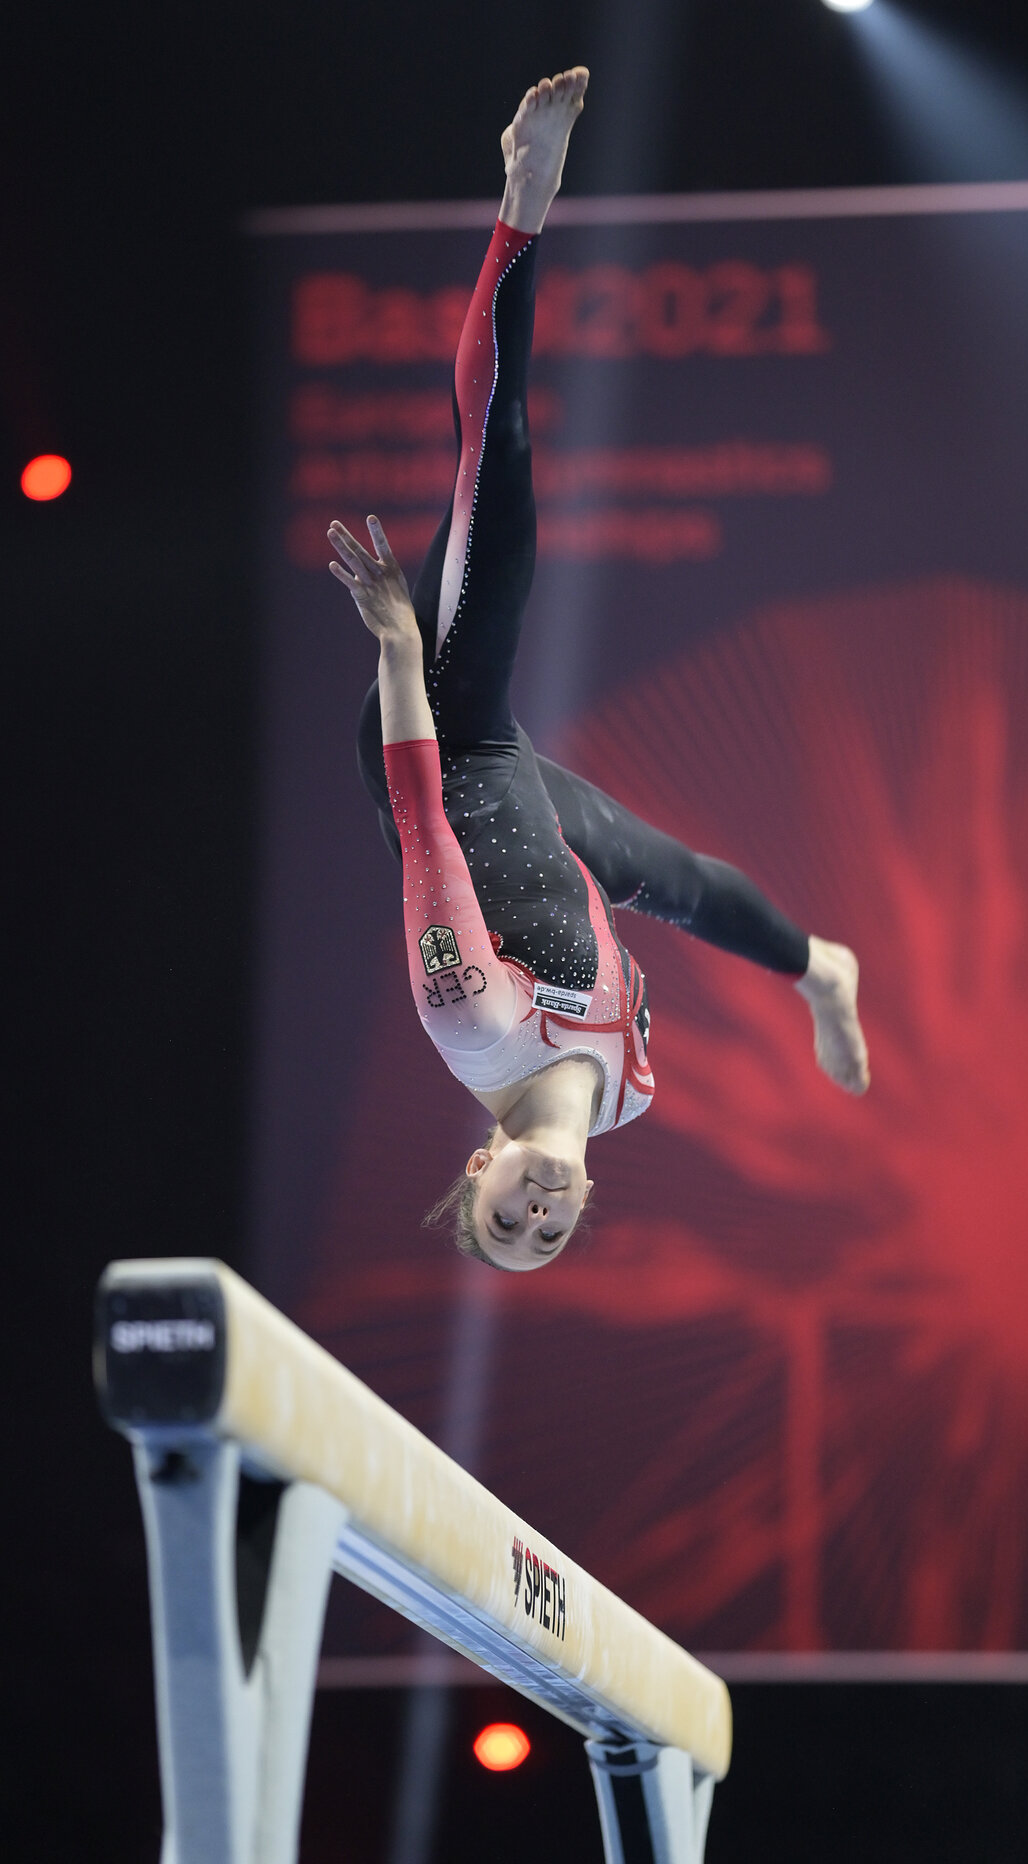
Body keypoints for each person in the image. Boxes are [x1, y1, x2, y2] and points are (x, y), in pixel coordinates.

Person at [328, 67, 869, 1274]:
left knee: (499, 463)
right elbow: (592, 894)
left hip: (443, 739)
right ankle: (819, 966)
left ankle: (522, 195)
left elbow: (421, 822)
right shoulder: (629, 1094)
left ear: (480, 1164)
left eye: (504, 1217)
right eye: (550, 1233)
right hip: (532, 814)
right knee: (677, 879)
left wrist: (401, 648)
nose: (537, 1208)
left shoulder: (471, 1019)